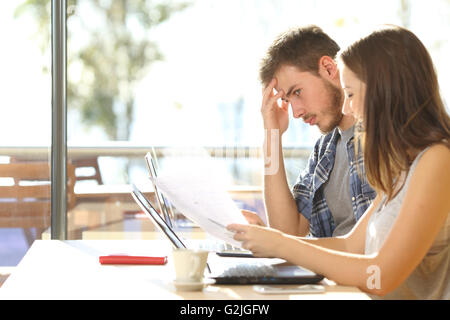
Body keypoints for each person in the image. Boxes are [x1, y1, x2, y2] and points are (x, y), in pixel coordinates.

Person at [229, 25, 450, 299]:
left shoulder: (437, 159)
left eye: (352, 94)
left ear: (385, 90)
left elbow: (380, 275)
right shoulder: (396, 165)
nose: (347, 107)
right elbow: (349, 246)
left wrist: (281, 244)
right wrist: (275, 242)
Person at [244, 25, 376, 237]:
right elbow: (288, 232)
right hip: (330, 269)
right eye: (287, 100)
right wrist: (272, 135)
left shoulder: (384, 134)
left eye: (297, 92)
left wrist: (273, 241)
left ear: (328, 68)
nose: (295, 113)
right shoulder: (325, 150)